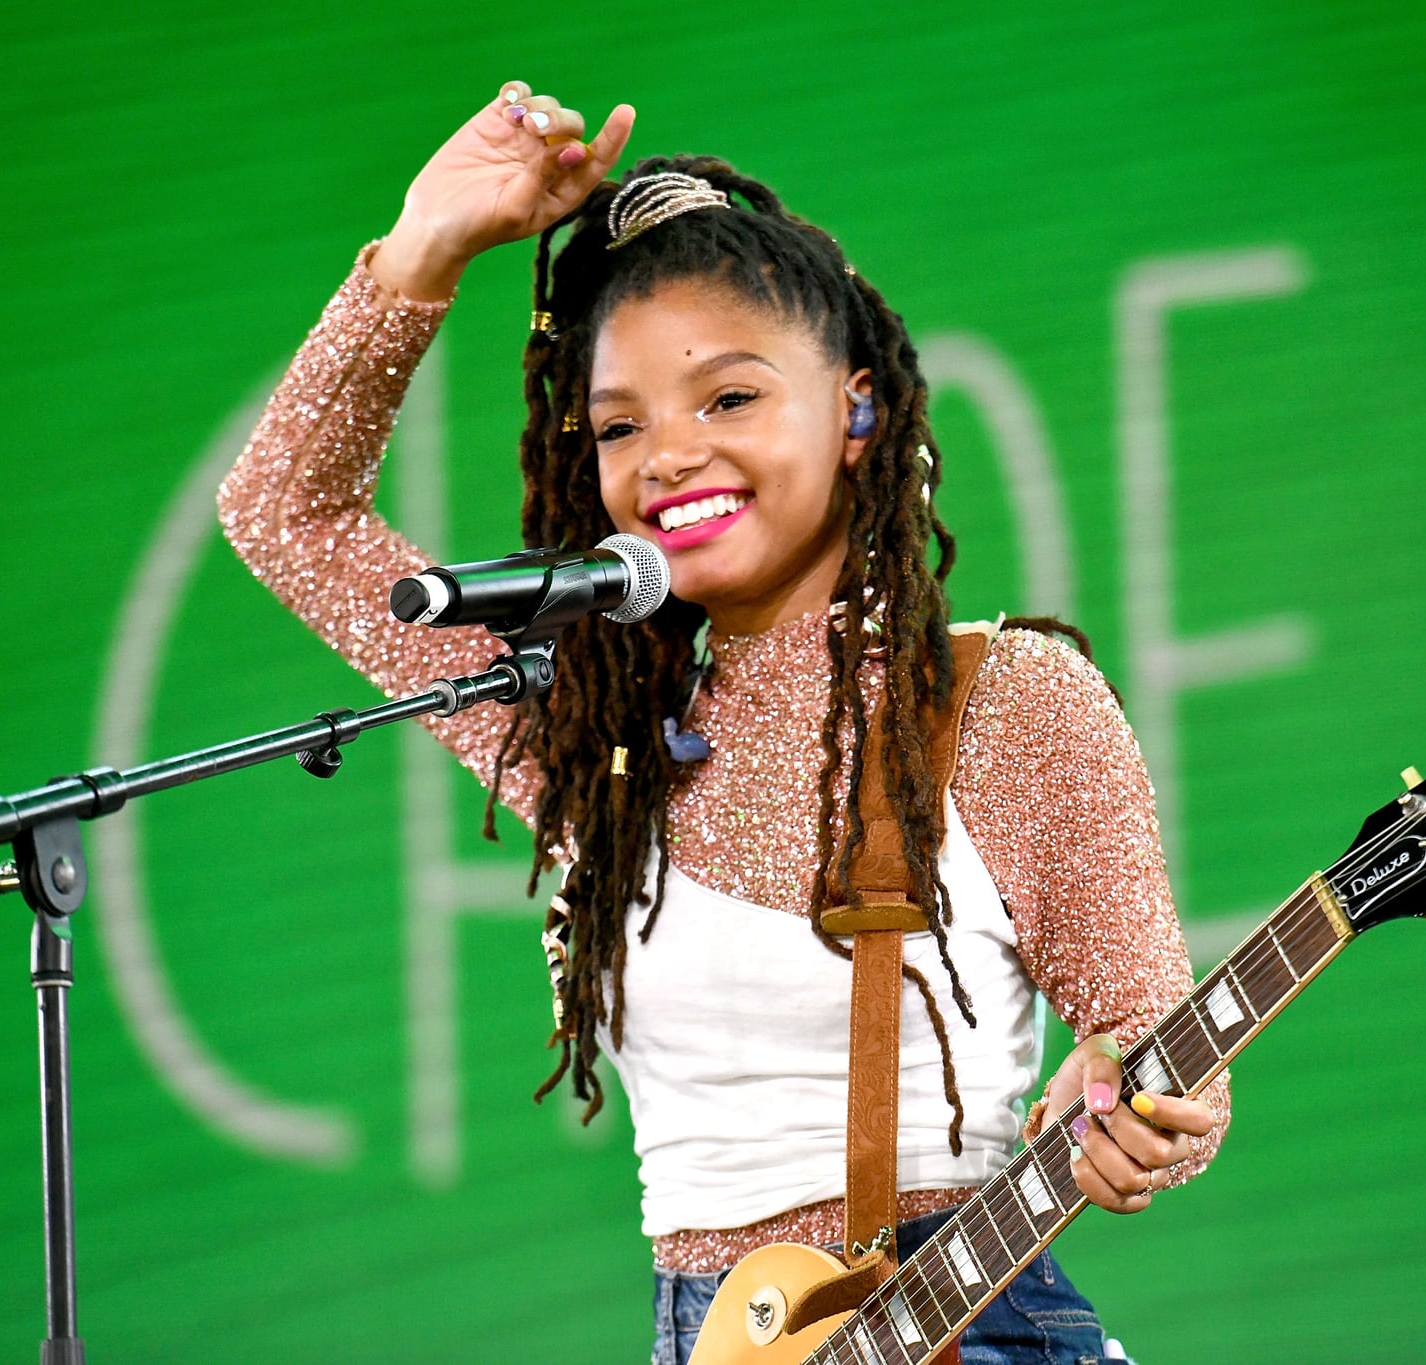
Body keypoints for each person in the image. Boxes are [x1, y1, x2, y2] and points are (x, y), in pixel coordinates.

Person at [218, 82, 1228, 1365]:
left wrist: (1135, 1104)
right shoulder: (598, 744)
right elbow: (287, 516)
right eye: (619, 426)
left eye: (729, 399)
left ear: (857, 408)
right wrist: (419, 252)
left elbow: (1157, 1054)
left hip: (969, 1324)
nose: (668, 456)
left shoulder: (1000, 701)